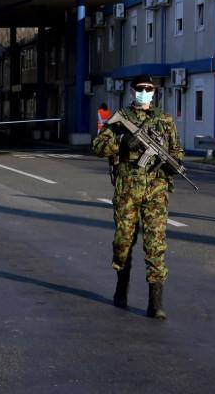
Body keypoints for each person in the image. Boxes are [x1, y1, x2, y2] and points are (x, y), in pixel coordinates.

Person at [92, 75, 184, 320]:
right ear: (132, 92)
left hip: (156, 193)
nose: (145, 93)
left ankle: (155, 302)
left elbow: (176, 150)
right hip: (127, 192)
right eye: (141, 89)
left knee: (155, 245)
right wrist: (122, 143)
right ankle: (121, 287)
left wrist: (175, 164)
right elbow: (98, 146)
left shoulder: (164, 121)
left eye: (149, 89)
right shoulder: (121, 118)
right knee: (123, 243)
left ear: (154, 92)